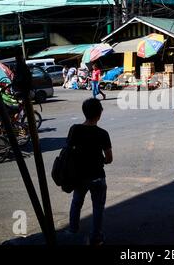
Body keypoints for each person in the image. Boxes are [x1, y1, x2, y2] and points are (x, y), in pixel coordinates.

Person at [67, 98, 113, 245]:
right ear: (99, 114)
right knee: (98, 208)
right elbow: (109, 158)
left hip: (79, 176)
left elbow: (68, 151)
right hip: (98, 176)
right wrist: (102, 161)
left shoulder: (75, 129)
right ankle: (96, 238)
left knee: (76, 203)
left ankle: (73, 230)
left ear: (84, 112)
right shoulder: (103, 133)